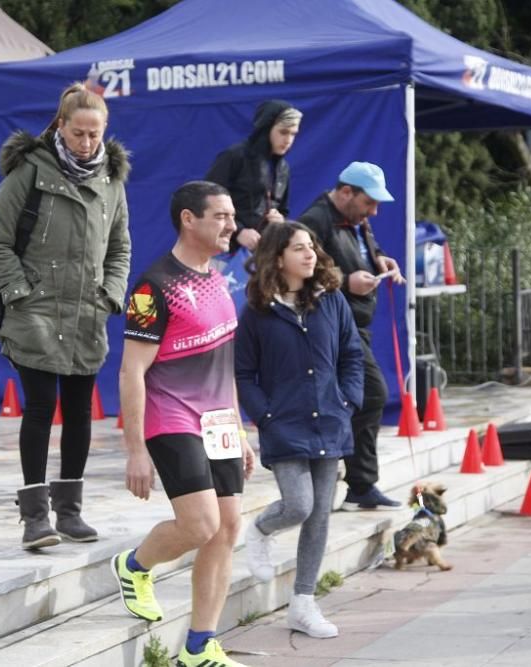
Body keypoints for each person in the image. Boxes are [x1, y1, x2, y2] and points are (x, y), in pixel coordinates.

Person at [113, 181, 256, 667]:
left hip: (218, 420)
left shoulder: (219, 280)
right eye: (221, 216)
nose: (231, 226)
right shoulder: (154, 287)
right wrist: (135, 450)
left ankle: (199, 647)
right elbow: (132, 370)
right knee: (200, 524)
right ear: (188, 220)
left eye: (232, 216)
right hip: (171, 417)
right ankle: (134, 566)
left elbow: (225, 364)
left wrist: (239, 429)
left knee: (227, 528)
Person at [0, 82, 131, 550]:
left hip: (87, 311)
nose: (88, 143)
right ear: (61, 126)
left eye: (96, 134)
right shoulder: (29, 170)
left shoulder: (111, 179)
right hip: (36, 311)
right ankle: (34, 518)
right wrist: (20, 293)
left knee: (81, 412)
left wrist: (110, 294)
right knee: (42, 407)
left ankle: (70, 511)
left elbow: (120, 246)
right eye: (79, 133)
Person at [234, 221, 363, 638]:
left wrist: (347, 401)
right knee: (299, 505)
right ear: (277, 258)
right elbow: (245, 373)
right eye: (298, 249)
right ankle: (260, 528)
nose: (310, 255)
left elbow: (351, 355)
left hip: (330, 419)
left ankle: (303, 603)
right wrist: (265, 416)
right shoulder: (257, 311)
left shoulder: (332, 301)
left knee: (320, 513)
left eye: (311, 247)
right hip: (284, 424)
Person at [297, 161, 404, 511]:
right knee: (372, 394)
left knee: (361, 398)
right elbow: (298, 273)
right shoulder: (315, 221)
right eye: (369, 203)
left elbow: (360, 254)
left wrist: (382, 261)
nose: (374, 211)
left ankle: (355, 481)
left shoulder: (358, 220)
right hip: (332, 327)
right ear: (346, 193)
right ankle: (350, 477)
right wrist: (345, 282)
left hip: (357, 324)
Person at [205, 100, 301, 251]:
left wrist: (280, 220)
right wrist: (238, 231)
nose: (288, 140)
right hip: (224, 250)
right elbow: (206, 202)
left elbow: (283, 209)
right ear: (266, 129)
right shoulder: (235, 156)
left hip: (262, 254)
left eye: (293, 134)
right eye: (283, 132)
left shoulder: (283, 168)